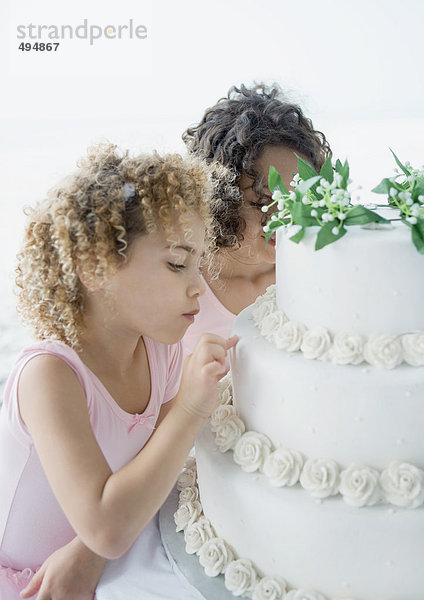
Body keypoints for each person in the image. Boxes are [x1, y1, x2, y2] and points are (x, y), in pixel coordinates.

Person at [0, 144, 237, 600]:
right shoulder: (50, 376)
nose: (198, 286)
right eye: (176, 264)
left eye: (198, 264)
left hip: (109, 567)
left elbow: (155, 471)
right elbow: (106, 527)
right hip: (29, 582)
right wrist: (190, 406)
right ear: (93, 267)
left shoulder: (160, 351)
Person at [182, 83, 331, 359]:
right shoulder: (181, 281)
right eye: (263, 202)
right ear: (220, 200)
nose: (285, 216)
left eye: (298, 196)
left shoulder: (314, 272)